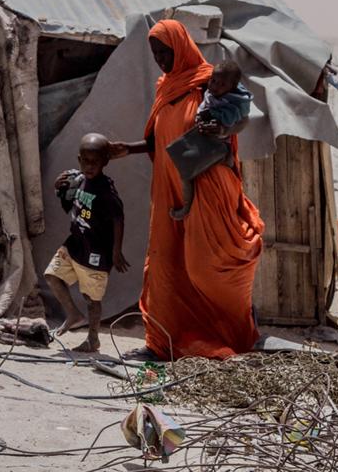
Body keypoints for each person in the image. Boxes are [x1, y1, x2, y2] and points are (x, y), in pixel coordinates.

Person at [110, 19, 264, 360]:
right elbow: (158, 140)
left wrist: (220, 131)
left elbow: (238, 121)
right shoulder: (167, 87)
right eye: (155, 54)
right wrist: (127, 149)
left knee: (205, 266)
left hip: (208, 184)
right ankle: (162, 343)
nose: (161, 60)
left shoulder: (209, 83)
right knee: (166, 264)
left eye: (165, 52)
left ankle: (231, 333)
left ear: (181, 47)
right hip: (169, 186)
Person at [44, 133, 129, 353]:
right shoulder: (78, 180)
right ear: (79, 159)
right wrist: (58, 186)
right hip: (75, 244)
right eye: (85, 161)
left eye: (95, 162)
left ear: (105, 162)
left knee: (91, 298)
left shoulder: (106, 190)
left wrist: (116, 251)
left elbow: (118, 218)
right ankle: (73, 314)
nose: (89, 166)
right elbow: (68, 204)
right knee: (52, 276)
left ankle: (93, 339)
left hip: (96, 252)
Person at [169, 59, 253, 220]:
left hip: (216, 145)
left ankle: (186, 207)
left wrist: (216, 121)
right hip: (200, 141)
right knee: (185, 171)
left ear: (232, 87)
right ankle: (187, 207)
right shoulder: (203, 86)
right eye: (213, 81)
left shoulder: (235, 101)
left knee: (187, 174)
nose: (215, 86)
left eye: (221, 85)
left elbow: (240, 120)